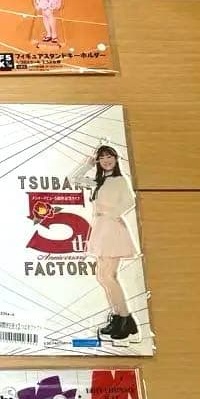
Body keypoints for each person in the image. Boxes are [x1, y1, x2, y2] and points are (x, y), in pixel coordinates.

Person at [71, 145, 141, 344]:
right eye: (102, 157)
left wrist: (111, 215)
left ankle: (125, 318)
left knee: (109, 276)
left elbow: (130, 201)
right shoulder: (99, 181)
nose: (106, 160)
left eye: (110, 156)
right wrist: (88, 164)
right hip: (101, 228)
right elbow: (74, 179)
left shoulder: (120, 180)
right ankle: (119, 317)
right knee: (103, 276)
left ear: (116, 159)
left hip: (112, 229)